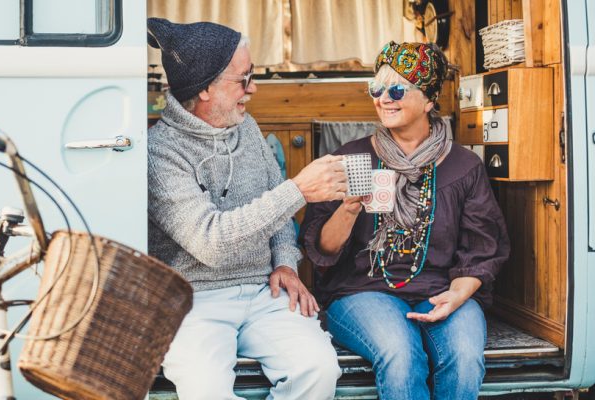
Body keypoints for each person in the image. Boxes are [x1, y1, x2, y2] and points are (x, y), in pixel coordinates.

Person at [300, 41, 510, 400]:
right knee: (401, 354)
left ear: (428, 99)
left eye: (397, 89)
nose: (384, 98)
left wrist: (457, 295)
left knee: (464, 356)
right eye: (377, 89)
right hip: (361, 292)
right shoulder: (351, 158)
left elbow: (482, 250)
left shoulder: (463, 167)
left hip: (441, 288)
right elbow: (321, 248)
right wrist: (350, 208)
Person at [146, 18, 343, 400]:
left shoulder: (246, 128)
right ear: (204, 88)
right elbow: (212, 243)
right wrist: (298, 189)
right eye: (243, 79)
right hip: (191, 301)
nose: (253, 88)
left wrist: (285, 262)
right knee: (207, 391)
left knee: (319, 370)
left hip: (261, 292)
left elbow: (279, 219)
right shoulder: (159, 152)